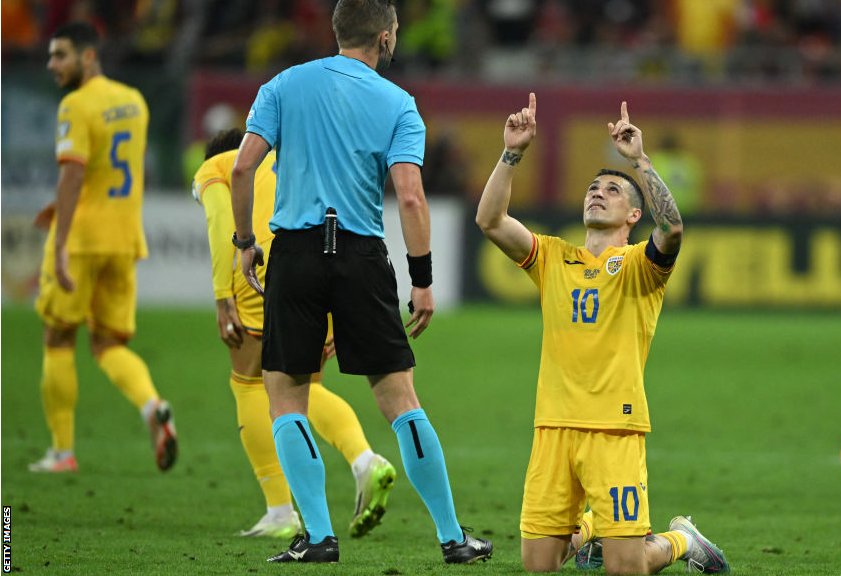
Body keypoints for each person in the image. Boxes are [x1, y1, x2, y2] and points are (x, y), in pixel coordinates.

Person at [229, 0, 492, 564]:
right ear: (387, 35)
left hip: (295, 252)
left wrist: (244, 242)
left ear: (337, 30)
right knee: (399, 400)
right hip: (360, 254)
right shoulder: (399, 103)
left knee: (287, 400)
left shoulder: (283, 84)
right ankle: (452, 538)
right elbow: (411, 196)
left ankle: (318, 539)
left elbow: (242, 168)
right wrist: (422, 280)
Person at [475, 93, 730, 575]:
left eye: (613, 190)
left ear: (634, 216)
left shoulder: (639, 267)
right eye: (594, 188)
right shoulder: (552, 258)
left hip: (615, 428)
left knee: (624, 570)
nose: (598, 192)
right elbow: (489, 221)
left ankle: (680, 539)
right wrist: (512, 153)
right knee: (539, 567)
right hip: (552, 427)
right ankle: (593, 528)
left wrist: (638, 161)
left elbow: (672, 229)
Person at [192, 128, 397, 539]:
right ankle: (364, 460)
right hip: (323, 258)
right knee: (305, 385)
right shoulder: (287, 155)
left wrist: (221, 296)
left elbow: (220, 225)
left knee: (251, 383)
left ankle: (281, 510)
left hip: (269, 264)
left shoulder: (216, 167)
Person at [30, 21, 177, 474]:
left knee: (58, 336)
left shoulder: (75, 104)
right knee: (108, 342)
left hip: (81, 240)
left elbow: (74, 172)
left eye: (61, 55)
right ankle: (152, 406)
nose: (52, 64)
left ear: (88, 56)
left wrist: (60, 244)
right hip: (124, 237)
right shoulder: (133, 101)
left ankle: (62, 451)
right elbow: (111, 170)